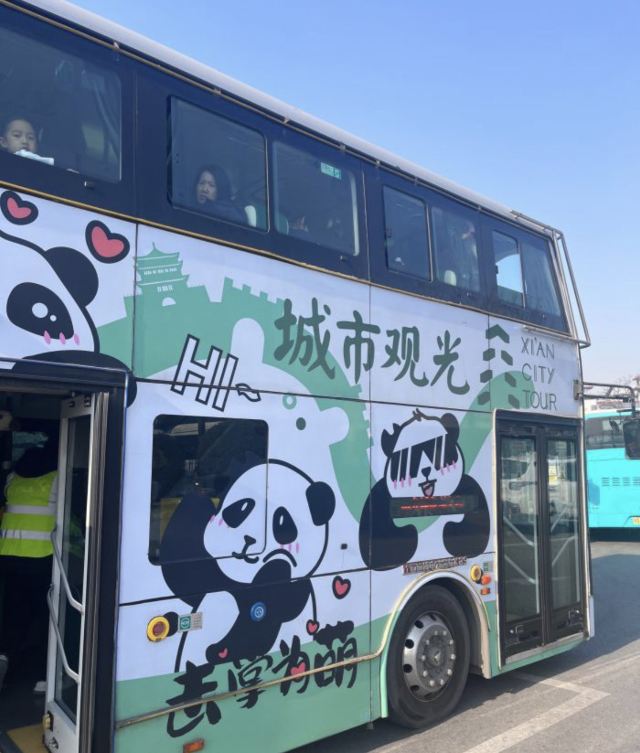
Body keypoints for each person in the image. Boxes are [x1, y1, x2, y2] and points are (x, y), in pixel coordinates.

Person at [0, 438, 58, 695]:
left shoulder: (13, 478)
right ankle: (43, 677)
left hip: (9, 556)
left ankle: (4, 658)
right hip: (42, 558)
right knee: (46, 618)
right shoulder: (56, 478)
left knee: (14, 615)